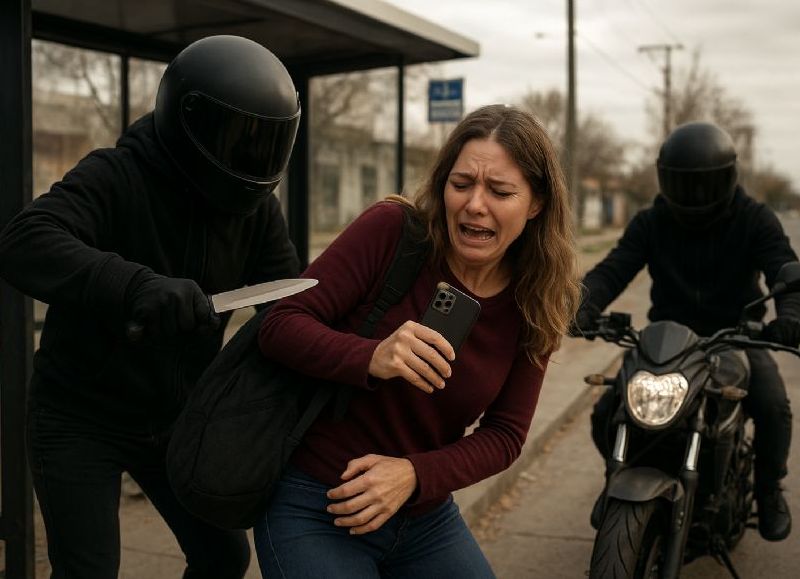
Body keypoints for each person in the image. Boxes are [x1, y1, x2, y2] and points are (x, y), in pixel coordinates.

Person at [0, 35, 302, 578]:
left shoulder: (255, 211)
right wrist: (135, 285)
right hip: (79, 414)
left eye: (268, 143)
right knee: (88, 570)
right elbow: (25, 239)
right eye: (241, 140)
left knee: (223, 555)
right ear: (192, 120)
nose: (254, 158)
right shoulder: (117, 175)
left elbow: (290, 301)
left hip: (178, 416)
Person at [253, 104, 581, 578]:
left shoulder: (537, 299)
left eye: (500, 191)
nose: (474, 204)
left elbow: (505, 435)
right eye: (462, 183)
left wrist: (414, 476)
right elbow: (281, 323)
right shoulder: (391, 232)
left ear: (535, 205)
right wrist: (372, 356)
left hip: (425, 518)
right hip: (318, 502)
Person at [573, 121, 799, 542]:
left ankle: (769, 491)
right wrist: (581, 306)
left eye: (705, 185)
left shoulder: (754, 218)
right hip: (666, 338)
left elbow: (782, 266)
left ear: (727, 178)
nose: (695, 196)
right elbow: (613, 269)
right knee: (608, 410)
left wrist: (790, 316)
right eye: (684, 185)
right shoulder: (651, 222)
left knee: (773, 406)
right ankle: (616, 476)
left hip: (736, 337)